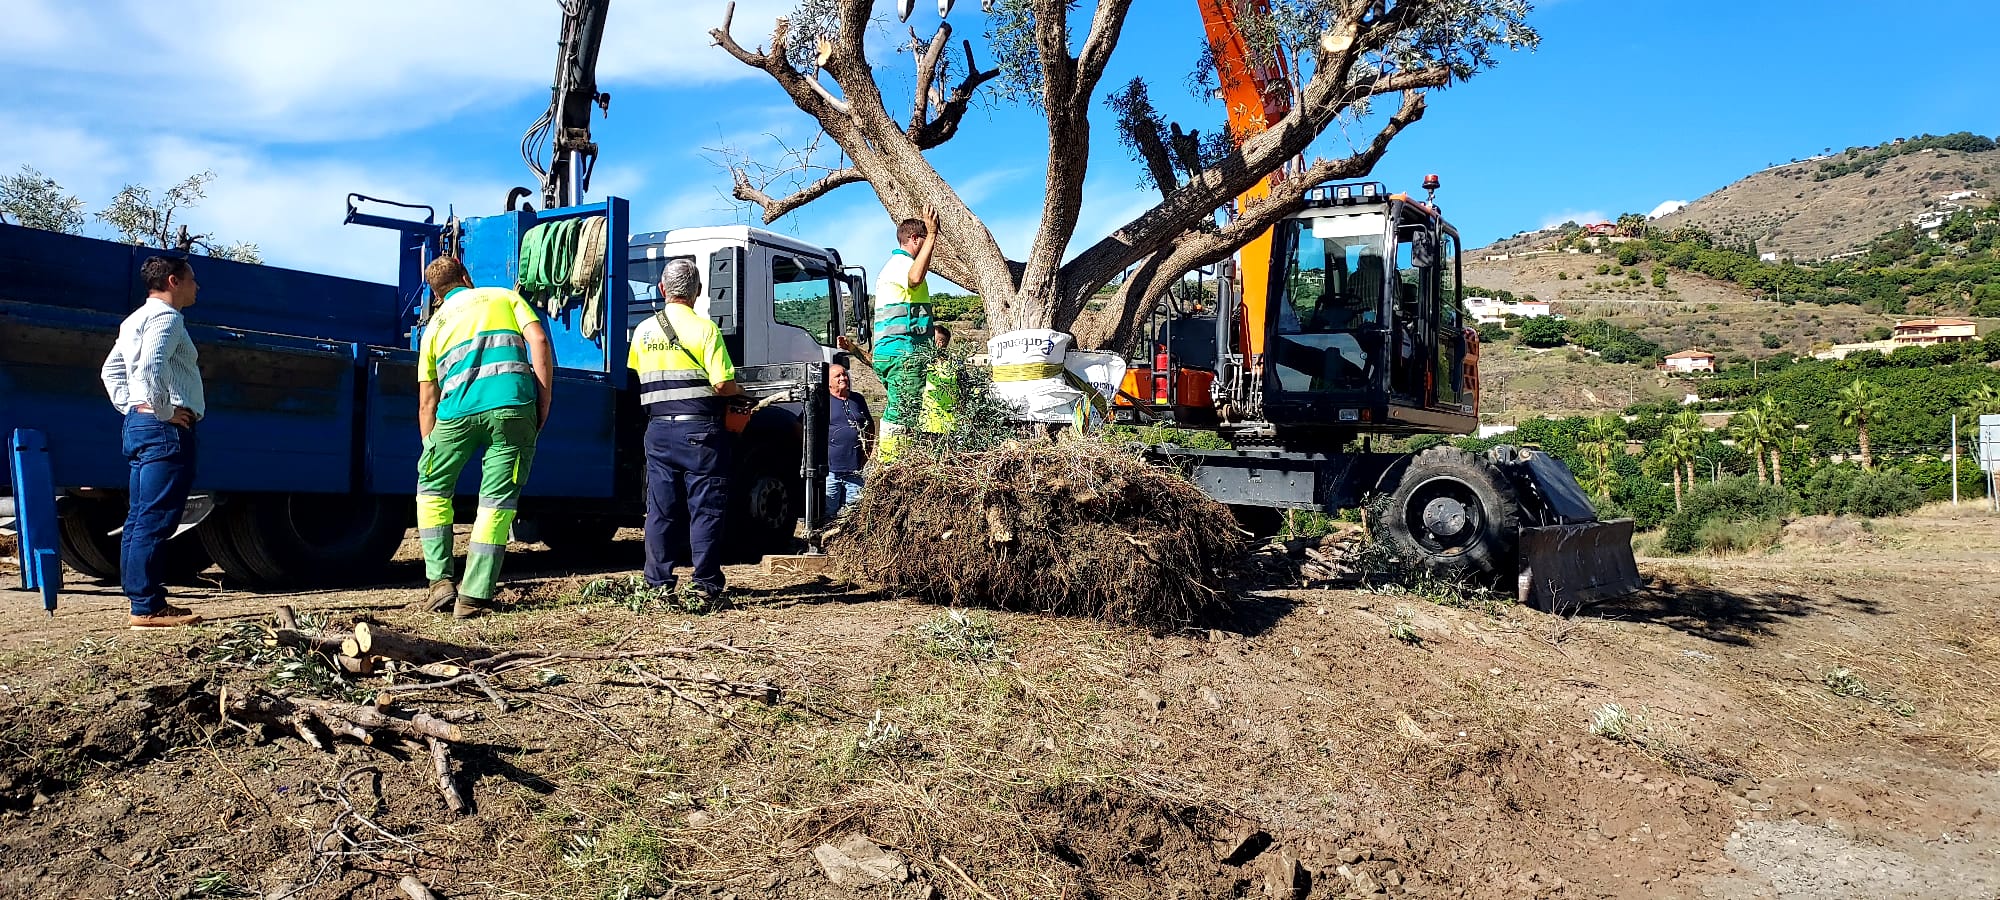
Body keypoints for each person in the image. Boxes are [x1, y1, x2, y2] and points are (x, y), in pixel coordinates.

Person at [414, 256, 554, 618]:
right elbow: (537, 338)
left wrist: (431, 449)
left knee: (431, 491)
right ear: (465, 275)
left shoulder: (432, 329)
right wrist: (543, 397)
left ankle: (440, 584)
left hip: (454, 415)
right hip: (511, 406)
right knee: (495, 503)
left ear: (436, 293)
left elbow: (427, 402)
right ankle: (474, 597)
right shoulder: (502, 297)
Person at [100, 256, 205, 629]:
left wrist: (133, 406)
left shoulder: (133, 320)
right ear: (173, 281)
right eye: (192, 280)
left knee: (141, 516)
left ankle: (143, 600)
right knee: (156, 518)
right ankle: (147, 608)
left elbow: (111, 370)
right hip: (163, 430)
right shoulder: (168, 318)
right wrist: (159, 410)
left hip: (140, 426)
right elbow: (150, 366)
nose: (197, 287)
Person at [629, 259, 742, 602]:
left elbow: (638, 372)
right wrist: (742, 395)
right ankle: (705, 584)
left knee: (661, 509)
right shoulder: (705, 330)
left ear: (663, 290)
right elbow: (722, 383)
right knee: (704, 509)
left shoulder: (643, 331)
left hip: (658, 431)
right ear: (699, 292)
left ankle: (657, 584)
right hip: (700, 433)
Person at [873, 206, 940, 447]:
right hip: (904, 353)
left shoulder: (892, 266)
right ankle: (892, 466)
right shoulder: (902, 264)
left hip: (892, 353)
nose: (931, 248)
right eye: (925, 240)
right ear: (914, 239)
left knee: (903, 410)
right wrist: (932, 233)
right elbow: (914, 278)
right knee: (903, 416)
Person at [824, 355, 872, 514]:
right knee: (828, 509)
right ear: (829, 383)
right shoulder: (823, 400)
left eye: (844, 374)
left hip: (855, 469)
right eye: (837, 376)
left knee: (855, 511)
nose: (843, 377)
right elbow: (802, 425)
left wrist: (868, 452)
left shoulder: (858, 399)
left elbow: (869, 426)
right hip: (831, 470)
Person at [917, 323, 957, 435]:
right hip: (947, 425)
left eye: (930, 338)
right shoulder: (956, 365)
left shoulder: (929, 366)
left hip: (932, 425)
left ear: (939, 343)